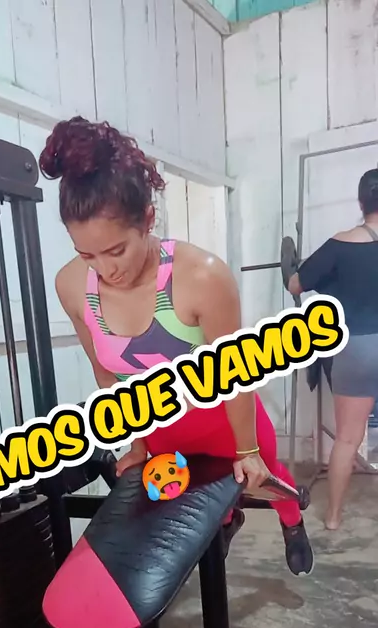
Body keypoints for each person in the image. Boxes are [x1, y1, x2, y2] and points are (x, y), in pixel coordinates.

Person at [39, 116, 314, 576]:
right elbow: (107, 375)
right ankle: (226, 522)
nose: (105, 269)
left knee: (267, 481)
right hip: (162, 430)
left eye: (116, 250)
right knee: (194, 501)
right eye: (88, 255)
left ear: (148, 220)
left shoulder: (201, 276)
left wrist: (247, 450)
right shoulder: (70, 286)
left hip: (227, 422)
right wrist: (138, 443)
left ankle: (292, 522)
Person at [289, 168, 378, 530]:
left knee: (347, 438)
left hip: (357, 347)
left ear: (361, 202)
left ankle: (333, 518)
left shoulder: (341, 244)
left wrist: (311, 275)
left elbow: (296, 284)